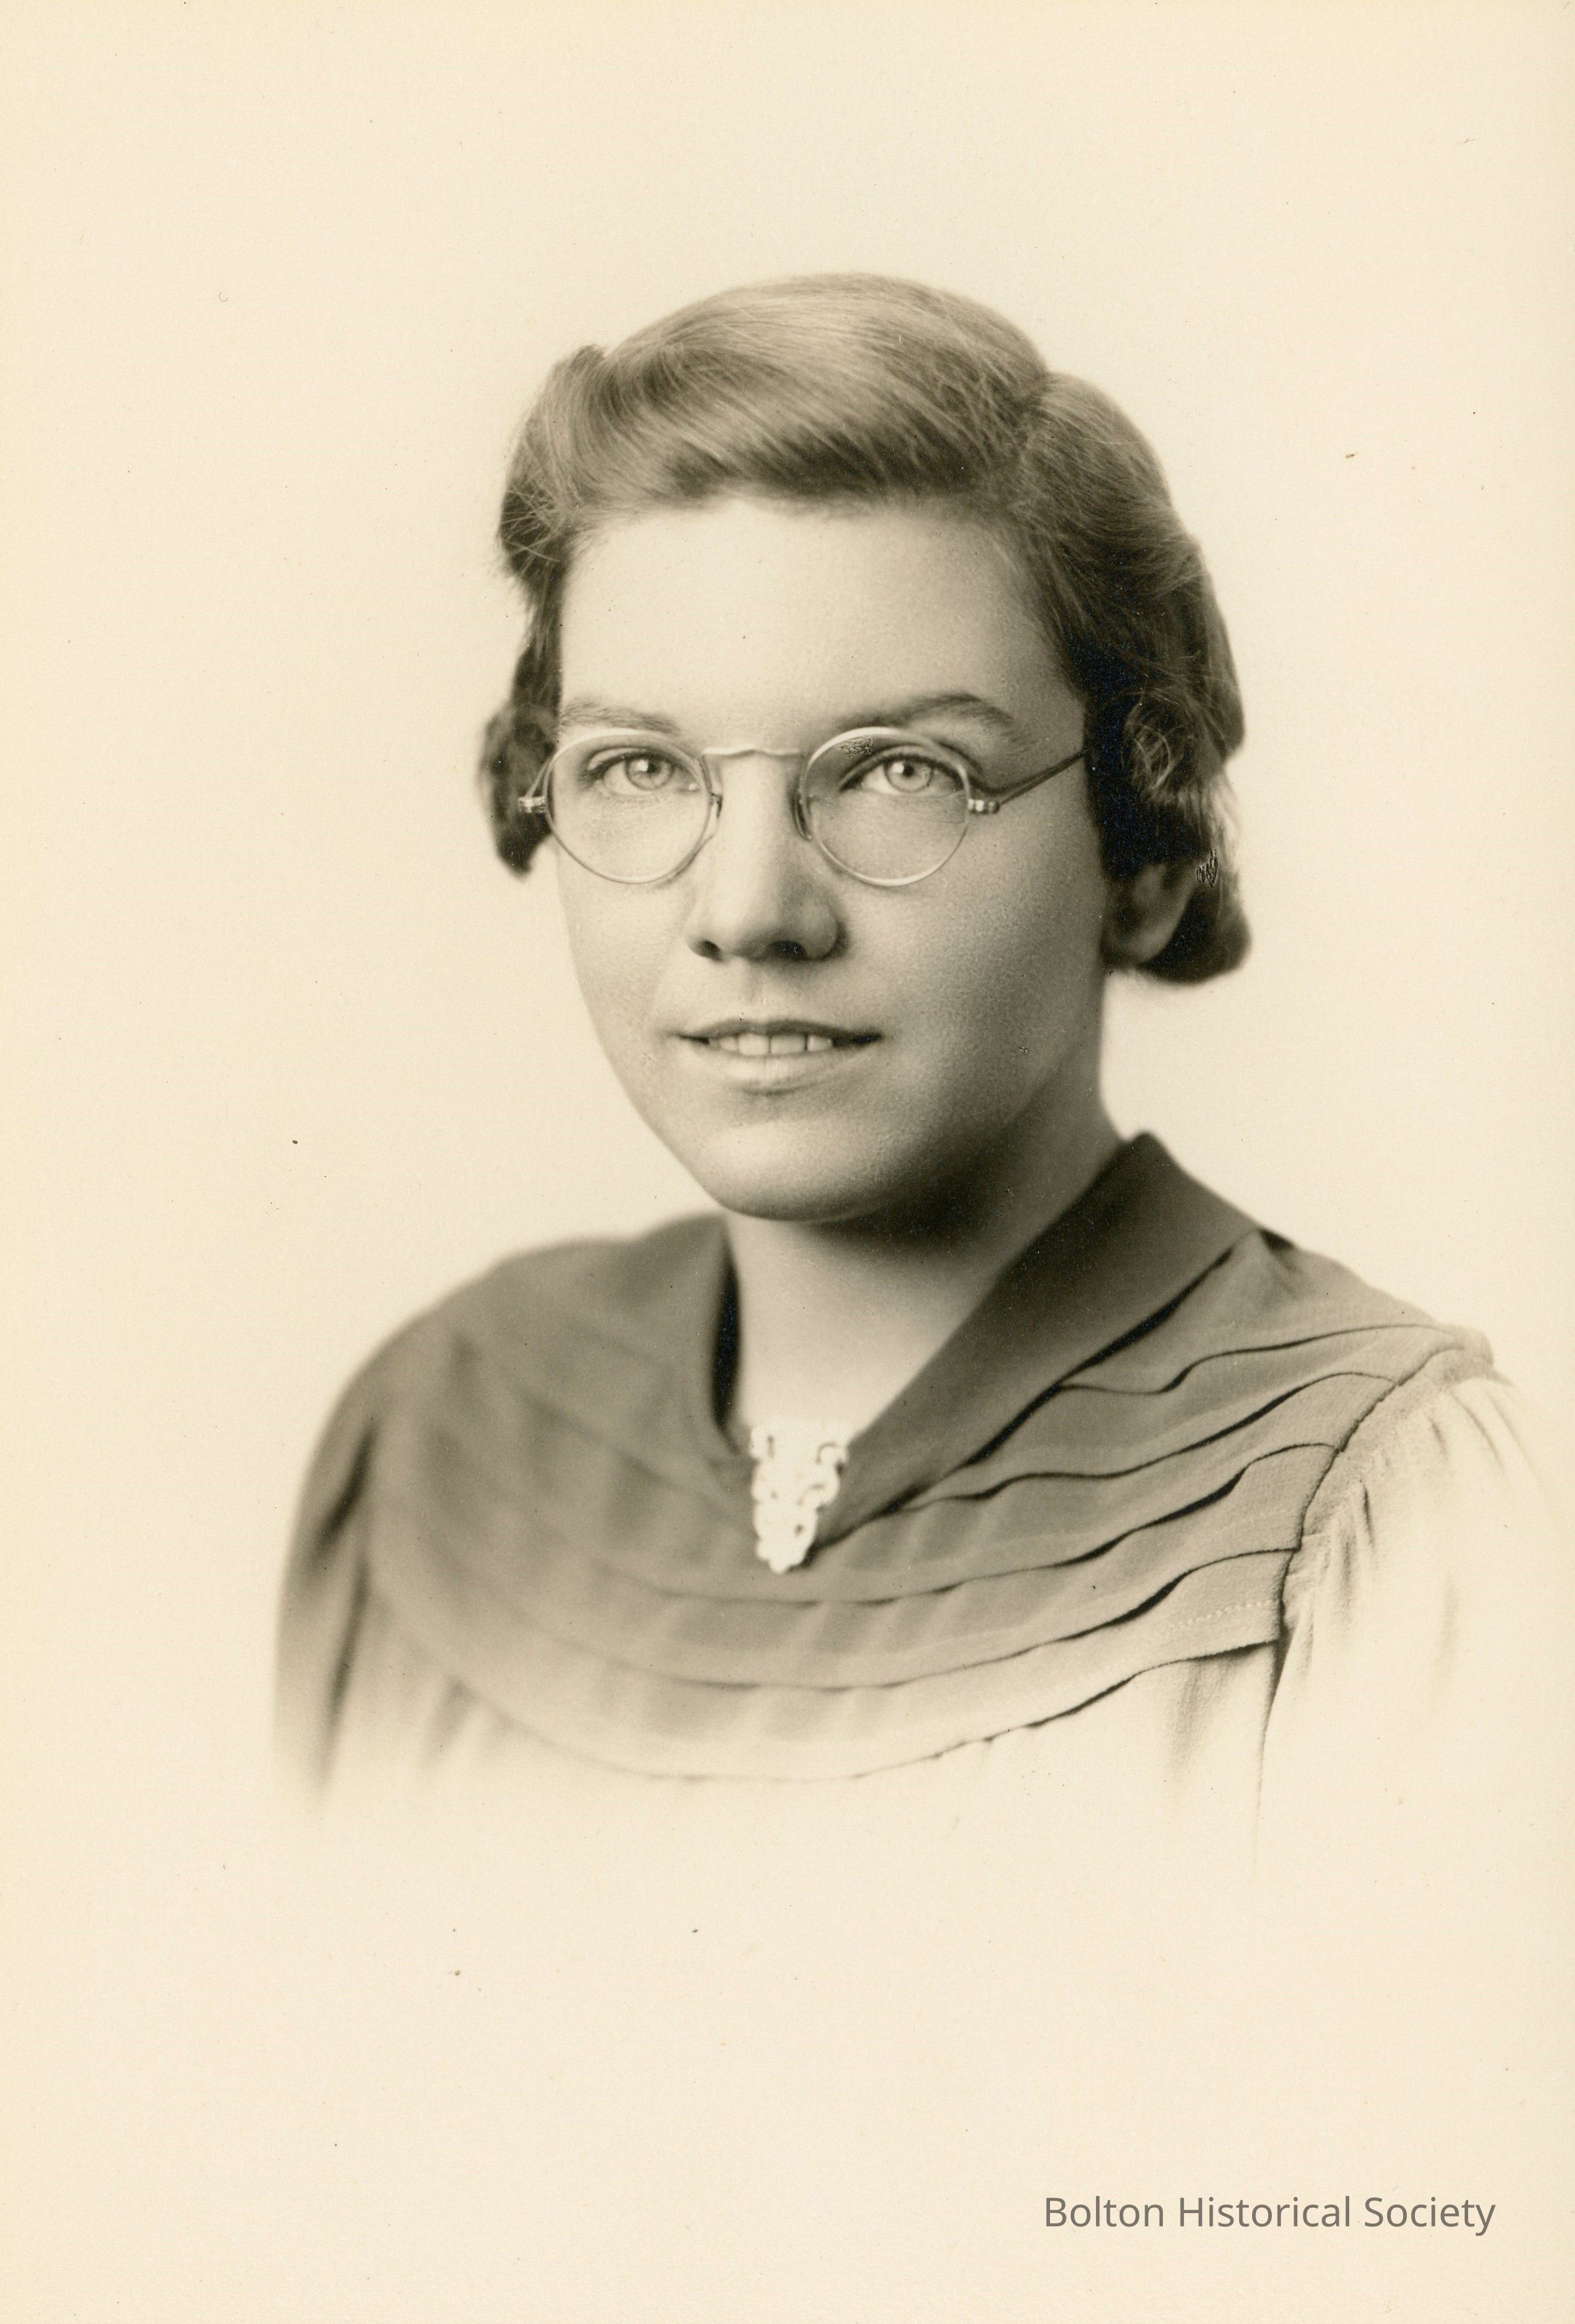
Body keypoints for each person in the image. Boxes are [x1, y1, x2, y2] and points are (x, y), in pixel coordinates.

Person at [278, 278, 1563, 1923]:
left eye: (901, 770)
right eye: (641, 767)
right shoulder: (439, 1443)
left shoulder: (1375, 1511)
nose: (750, 910)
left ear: (1143, 849)